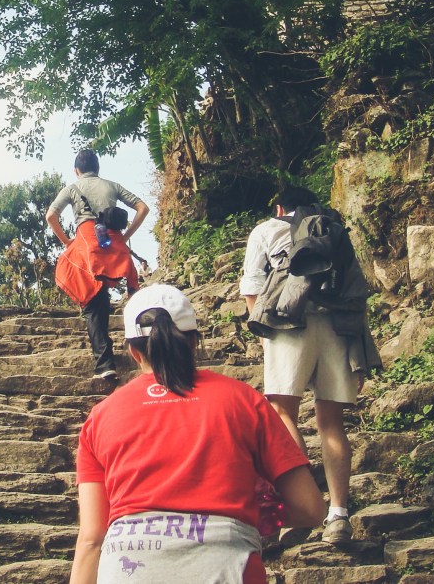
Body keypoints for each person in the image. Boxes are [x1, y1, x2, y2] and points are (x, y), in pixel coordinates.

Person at [70, 285, 326, 584]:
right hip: (227, 565)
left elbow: (91, 539)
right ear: (194, 341)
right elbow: (310, 508)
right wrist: (258, 513)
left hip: (128, 568)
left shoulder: (101, 417)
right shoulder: (244, 400)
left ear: (133, 351)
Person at [240, 186, 378, 546]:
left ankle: (303, 504)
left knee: (283, 414)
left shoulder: (266, 230)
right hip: (337, 327)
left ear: (279, 206)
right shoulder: (331, 229)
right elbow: (354, 287)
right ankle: (339, 516)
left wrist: (263, 334)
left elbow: (252, 286)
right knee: (332, 423)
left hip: (288, 328)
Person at [46, 149, 150, 379]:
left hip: (88, 246)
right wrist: (124, 236)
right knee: (134, 295)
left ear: (76, 171)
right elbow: (143, 208)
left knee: (93, 303)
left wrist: (66, 242)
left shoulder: (72, 188)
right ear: (98, 168)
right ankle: (150, 350)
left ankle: (105, 365)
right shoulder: (112, 185)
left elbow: (50, 216)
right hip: (114, 245)